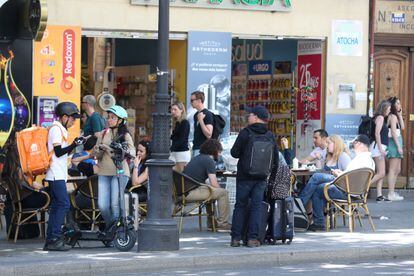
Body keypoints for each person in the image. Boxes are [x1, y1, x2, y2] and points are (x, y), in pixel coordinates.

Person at [230, 105, 279, 248]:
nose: (248, 117)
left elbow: (234, 153)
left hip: (245, 177)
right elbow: (275, 159)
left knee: (240, 206)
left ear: (256, 117)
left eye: (250, 115)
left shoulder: (246, 133)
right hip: (261, 177)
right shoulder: (270, 135)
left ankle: (236, 238)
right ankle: (252, 239)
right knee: (257, 207)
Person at [309, 134, 375, 231]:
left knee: (318, 187)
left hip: (347, 192)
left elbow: (349, 178)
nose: (353, 146)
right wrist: (341, 173)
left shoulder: (360, 159)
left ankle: (316, 219)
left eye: (354, 143)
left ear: (360, 144)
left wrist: (338, 174)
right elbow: (353, 176)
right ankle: (317, 218)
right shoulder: (369, 160)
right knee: (319, 182)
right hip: (356, 192)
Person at [43, 102, 85, 251]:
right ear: (65, 116)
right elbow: (59, 152)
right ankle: (54, 237)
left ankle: (51, 239)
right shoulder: (56, 129)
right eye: (73, 118)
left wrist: (76, 145)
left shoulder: (61, 129)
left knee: (57, 206)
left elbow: (62, 154)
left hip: (58, 174)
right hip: (55, 174)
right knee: (63, 204)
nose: (74, 121)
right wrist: (74, 144)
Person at [94, 105, 135, 235]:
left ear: (120, 120)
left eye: (113, 117)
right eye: (109, 117)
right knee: (102, 205)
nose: (109, 120)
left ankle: (117, 233)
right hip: (104, 172)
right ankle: (111, 227)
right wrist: (99, 149)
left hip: (120, 172)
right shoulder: (104, 133)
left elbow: (132, 152)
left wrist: (110, 149)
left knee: (115, 204)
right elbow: (97, 154)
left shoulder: (125, 135)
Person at [183, 139, 231, 231]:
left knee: (211, 190)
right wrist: (220, 190)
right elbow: (214, 183)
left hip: (183, 191)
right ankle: (223, 224)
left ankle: (211, 223)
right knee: (223, 193)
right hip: (189, 193)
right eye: (219, 151)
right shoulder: (209, 160)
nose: (220, 154)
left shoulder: (197, 157)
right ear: (214, 151)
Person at [299, 134, 351, 206]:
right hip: (329, 183)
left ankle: (300, 204)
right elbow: (321, 170)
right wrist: (319, 159)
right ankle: (317, 216)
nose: (326, 145)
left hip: (340, 186)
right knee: (315, 188)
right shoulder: (328, 156)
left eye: (329, 143)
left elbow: (349, 176)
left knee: (316, 177)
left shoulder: (343, 156)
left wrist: (338, 173)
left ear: (336, 144)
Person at [370, 100, 391, 202]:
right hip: (378, 148)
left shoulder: (379, 118)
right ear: (385, 108)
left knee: (380, 172)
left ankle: (379, 195)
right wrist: (381, 149)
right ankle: (362, 188)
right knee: (382, 173)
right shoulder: (380, 117)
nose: (389, 110)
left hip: (379, 148)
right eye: (389, 109)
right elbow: (377, 133)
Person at [386, 97, 405, 201]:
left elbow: (402, 127)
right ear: (393, 105)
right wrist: (398, 146)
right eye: (397, 103)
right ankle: (390, 193)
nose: (399, 105)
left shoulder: (396, 116)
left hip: (397, 142)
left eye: (400, 103)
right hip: (394, 144)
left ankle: (392, 192)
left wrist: (400, 115)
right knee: (393, 170)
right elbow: (393, 133)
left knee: (398, 169)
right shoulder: (392, 117)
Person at [190, 91, 214, 157]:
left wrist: (201, 120)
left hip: (204, 149)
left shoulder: (208, 114)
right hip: (196, 147)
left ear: (199, 101)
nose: (191, 102)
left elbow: (209, 134)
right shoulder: (195, 115)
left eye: (192, 100)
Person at [170, 102, 190, 172]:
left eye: (175, 109)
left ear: (181, 110)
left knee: (180, 177)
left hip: (182, 153)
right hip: (175, 152)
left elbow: (182, 139)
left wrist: (171, 148)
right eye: (172, 109)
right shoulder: (177, 123)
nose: (173, 111)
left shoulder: (184, 122)